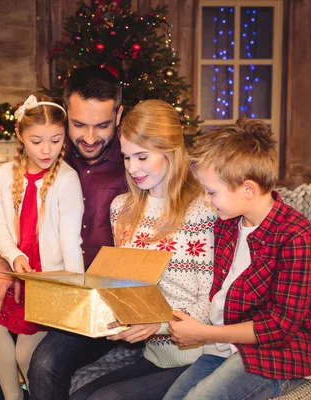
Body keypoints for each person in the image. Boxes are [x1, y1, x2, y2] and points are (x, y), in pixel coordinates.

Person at [0, 66, 128, 400]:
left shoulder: (132, 166)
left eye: (102, 125)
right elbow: (1, 223)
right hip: (36, 279)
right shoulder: (49, 152)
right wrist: (3, 265)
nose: (89, 137)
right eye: (78, 125)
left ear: (118, 115)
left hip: (97, 298)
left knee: (43, 361)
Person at [164, 119, 311, 400]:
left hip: (280, 353)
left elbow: (279, 327)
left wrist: (204, 333)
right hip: (227, 346)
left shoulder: (298, 239)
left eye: (212, 192)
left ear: (248, 189)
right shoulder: (228, 223)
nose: (206, 200)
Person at [69, 100, 217, 400]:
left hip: (197, 358)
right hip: (152, 356)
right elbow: (125, 290)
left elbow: (212, 305)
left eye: (142, 156)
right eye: (126, 157)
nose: (132, 168)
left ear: (171, 152)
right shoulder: (121, 209)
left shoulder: (203, 211)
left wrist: (158, 324)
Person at [0, 94, 85, 400]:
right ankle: (12, 396)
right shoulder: (3, 176)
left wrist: (75, 290)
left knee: (27, 353)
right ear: (20, 135)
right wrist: (14, 258)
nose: (47, 150)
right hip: (19, 273)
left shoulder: (67, 180)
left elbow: (70, 240)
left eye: (56, 140)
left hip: (50, 280)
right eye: (37, 141)